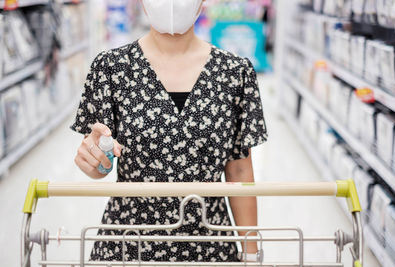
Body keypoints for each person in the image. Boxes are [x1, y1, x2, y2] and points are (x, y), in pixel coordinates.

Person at [71, 0, 268, 263]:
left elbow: (240, 170)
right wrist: (95, 161)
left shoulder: (235, 73)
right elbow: (99, 161)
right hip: (130, 242)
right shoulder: (110, 67)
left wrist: (251, 252)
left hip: (208, 243)